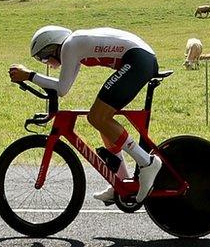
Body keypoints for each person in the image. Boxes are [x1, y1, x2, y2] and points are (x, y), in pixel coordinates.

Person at [9, 24, 162, 203]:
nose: (46, 62)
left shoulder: (69, 46)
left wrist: (29, 75)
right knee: (101, 120)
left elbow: (61, 88)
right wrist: (31, 77)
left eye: (43, 57)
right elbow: (63, 88)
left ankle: (147, 162)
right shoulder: (75, 46)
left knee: (97, 116)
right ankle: (120, 182)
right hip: (140, 58)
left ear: (52, 47)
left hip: (138, 60)